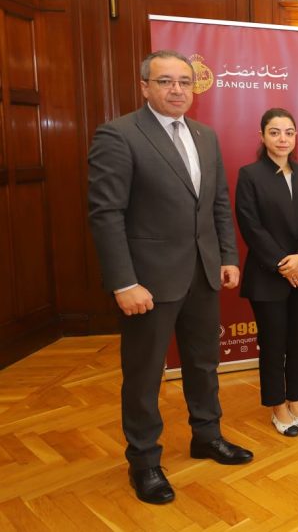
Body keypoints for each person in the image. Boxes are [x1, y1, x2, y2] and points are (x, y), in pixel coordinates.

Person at [88, 49, 253, 505]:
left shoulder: (205, 135)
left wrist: (227, 255)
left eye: (184, 81)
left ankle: (207, 436)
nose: (177, 89)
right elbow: (106, 215)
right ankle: (144, 462)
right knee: (144, 376)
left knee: (203, 363)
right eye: (165, 81)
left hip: (202, 273)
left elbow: (217, 202)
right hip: (148, 282)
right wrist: (124, 283)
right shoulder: (119, 135)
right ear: (145, 86)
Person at [235, 108, 298, 437]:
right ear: (262, 137)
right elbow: (250, 225)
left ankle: (296, 402)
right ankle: (277, 407)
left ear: (296, 136)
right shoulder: (250, 175)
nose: (282, 139)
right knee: (273, 344)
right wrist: (282, 264)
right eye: (274, 132)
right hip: (268, 276)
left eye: (289, 132)